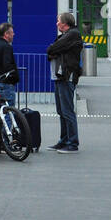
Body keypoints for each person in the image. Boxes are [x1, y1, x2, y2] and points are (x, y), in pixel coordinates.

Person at [46, 11, 83, 152]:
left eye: (59, 21)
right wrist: (54, 51)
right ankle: (64, 140)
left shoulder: (73, 34)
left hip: (67, 76)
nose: (57, 24)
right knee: (61, 110)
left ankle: (72, 143)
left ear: (66, 23)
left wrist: (54, 50)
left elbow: (52, 48)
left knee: (67, 111)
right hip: (60, 76)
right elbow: (52, 51)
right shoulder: (65, 36)